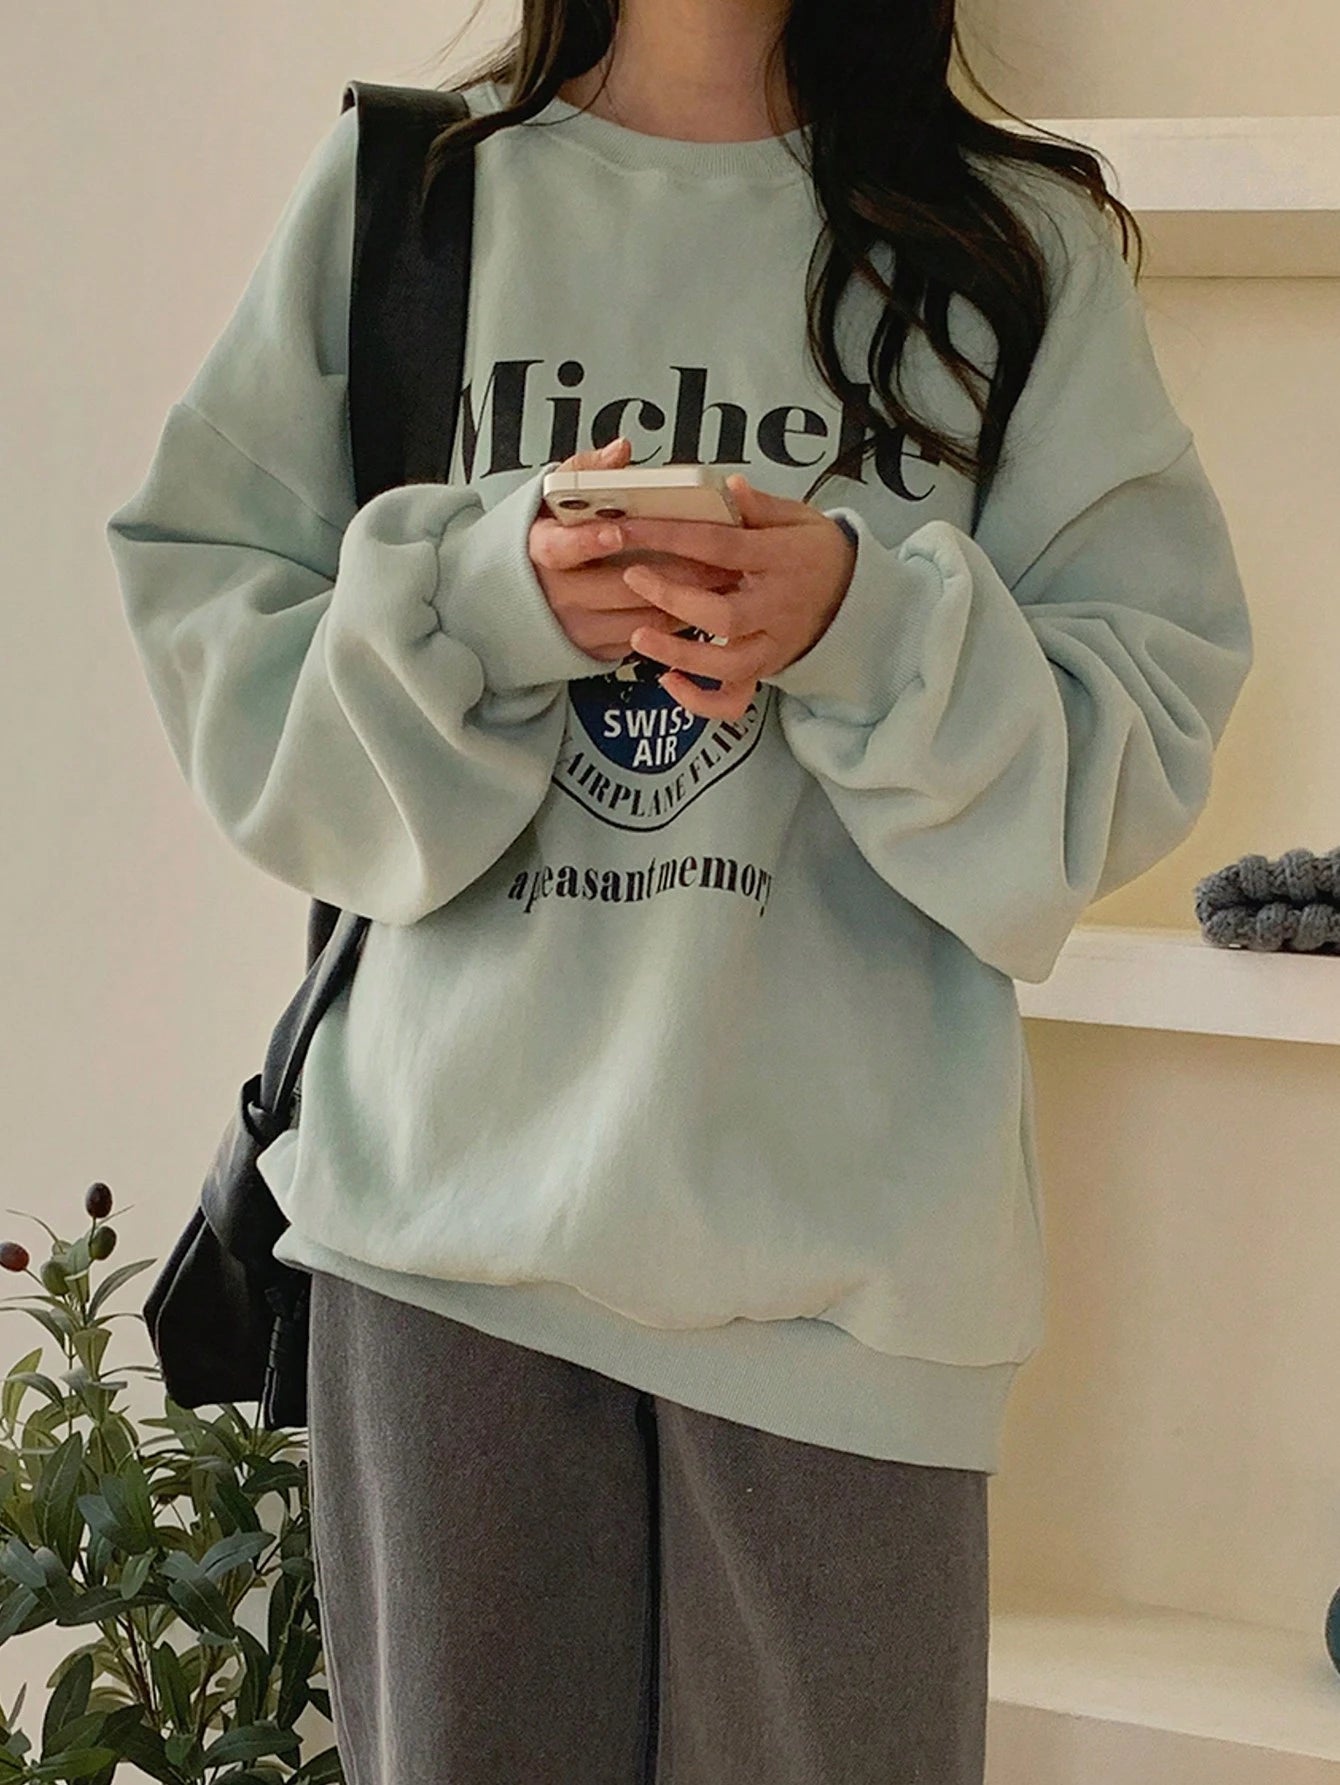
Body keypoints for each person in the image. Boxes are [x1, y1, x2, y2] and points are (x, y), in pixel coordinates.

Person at [105, 0, 1255, 1778]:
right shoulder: (412, 200)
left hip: (848, 1288)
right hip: (446, 1249)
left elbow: (1144, 727)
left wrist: (862, 619)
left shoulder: (1010, 251)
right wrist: (493, 598)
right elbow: (230, 666)